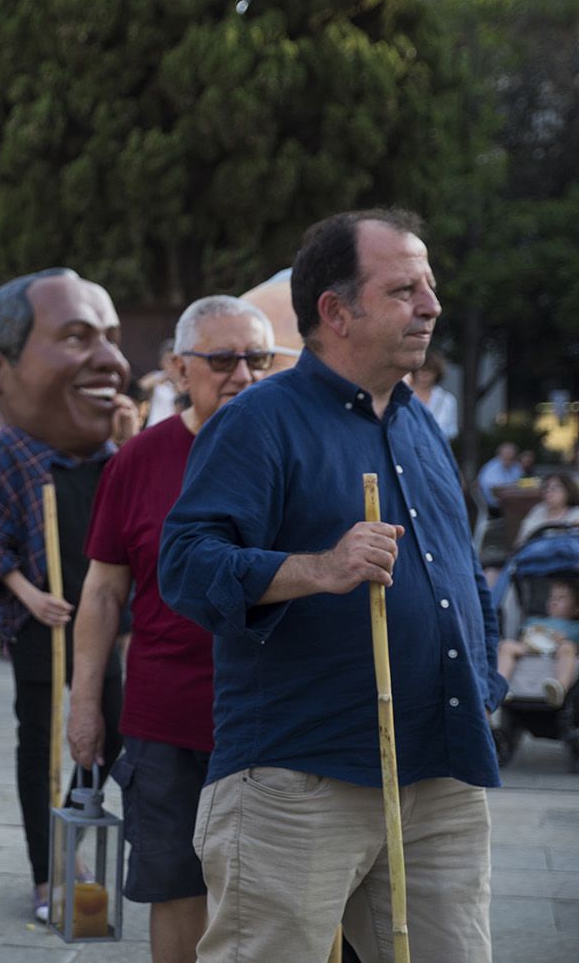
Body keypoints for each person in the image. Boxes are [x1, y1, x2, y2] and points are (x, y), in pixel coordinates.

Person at [160, 209, 503, 963]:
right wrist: (318, 568)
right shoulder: (259, 421)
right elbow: (184, 564)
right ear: (336, 311)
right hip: (297, 778)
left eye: (430, 286)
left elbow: (461, 575)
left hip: (439, 773)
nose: (431, 306)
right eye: (404, 289)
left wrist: (486, 682)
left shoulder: (420, 426)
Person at [67, 294, 275, 963]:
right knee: (175, 888)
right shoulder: (139, 460)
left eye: (257, 359)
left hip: (277, 717)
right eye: (221, 360)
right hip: (166, 718)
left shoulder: (293, 451)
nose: (241, 374)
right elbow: (103, 591)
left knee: (270, 898)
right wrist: (85, 702)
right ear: (179, 369)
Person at [0, 267, 129, 921]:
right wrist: (31, 596)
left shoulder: (115, 457)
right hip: (42, 624)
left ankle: (75, 838)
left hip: (99, 629)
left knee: (108, 732)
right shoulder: (13, 454)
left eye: (112, 338)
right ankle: (47, 874)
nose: (111, 359)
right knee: (38, 744)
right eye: (76, 337)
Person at [498, 578, 579, 707]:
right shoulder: (534, 620)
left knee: (568, 648)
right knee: (507, 645)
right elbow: (523, 634)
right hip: (531, 648)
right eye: (552, 597)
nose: (554, 602)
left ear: (576, 609)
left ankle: (559, 688)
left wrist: (561, 640)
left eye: (561, 599)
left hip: (556, 650)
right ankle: (501, 686)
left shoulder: (574, 626)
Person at [516, 472, 579, 547]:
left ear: (568, 491)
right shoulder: (538, 510)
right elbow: (520, 541)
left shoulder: (576, 513)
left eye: (555, 488)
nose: (549, 492)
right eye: (546, 488)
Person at [409, 350, 458, 441]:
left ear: (436, 373)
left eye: (429, 371)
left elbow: (450, 432)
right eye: (420, 371)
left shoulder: (446, 400)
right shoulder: (401, 396)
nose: (424, 375)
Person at [478, 440, 521, 515]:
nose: (509, 457)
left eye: (512, 455)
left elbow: (520, 481)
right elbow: (494, 488)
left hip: (510, 500)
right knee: (520, 507)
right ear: (499, 454)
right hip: (494, 504)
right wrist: (513, 485)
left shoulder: (515, 466)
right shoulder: (492, 468)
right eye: (507, 454)